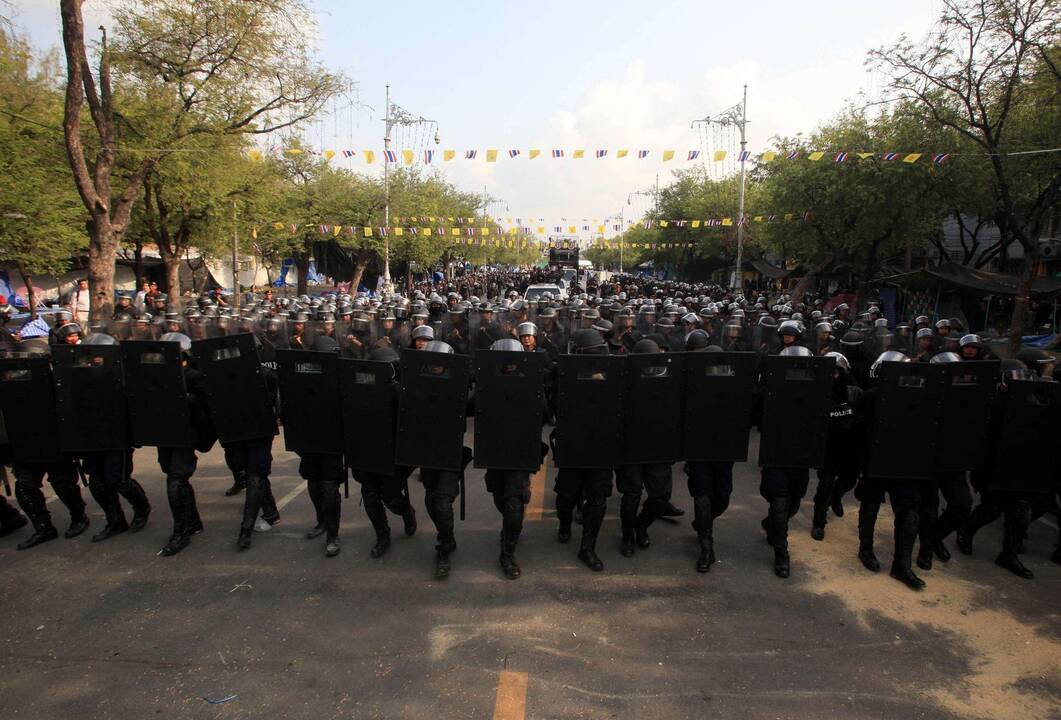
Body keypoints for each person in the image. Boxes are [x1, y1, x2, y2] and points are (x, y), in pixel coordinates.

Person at [553, 328, 613, 572]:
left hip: (600, 444)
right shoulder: (563, 373)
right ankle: (565, 523)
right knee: (566, 498)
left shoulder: (611, 374)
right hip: (573, 443)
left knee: (598, 500)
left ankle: (588, 547)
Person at [616, 339, 674, 558]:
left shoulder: (667, 379)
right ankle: (628, 533)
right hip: (632, 447)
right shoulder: (626, 380)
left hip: (657, 446)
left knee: (660, 497)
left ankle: (641, 525)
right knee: (631, 496)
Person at [155, 332, 210, 556]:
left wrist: (184, 397)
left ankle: (181, 532)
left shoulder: (194, 376)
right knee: (175, 477)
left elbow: (206, 406)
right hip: (165, 434)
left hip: (186, 435)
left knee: (175, 482)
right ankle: (193, 520)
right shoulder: (158, 375)